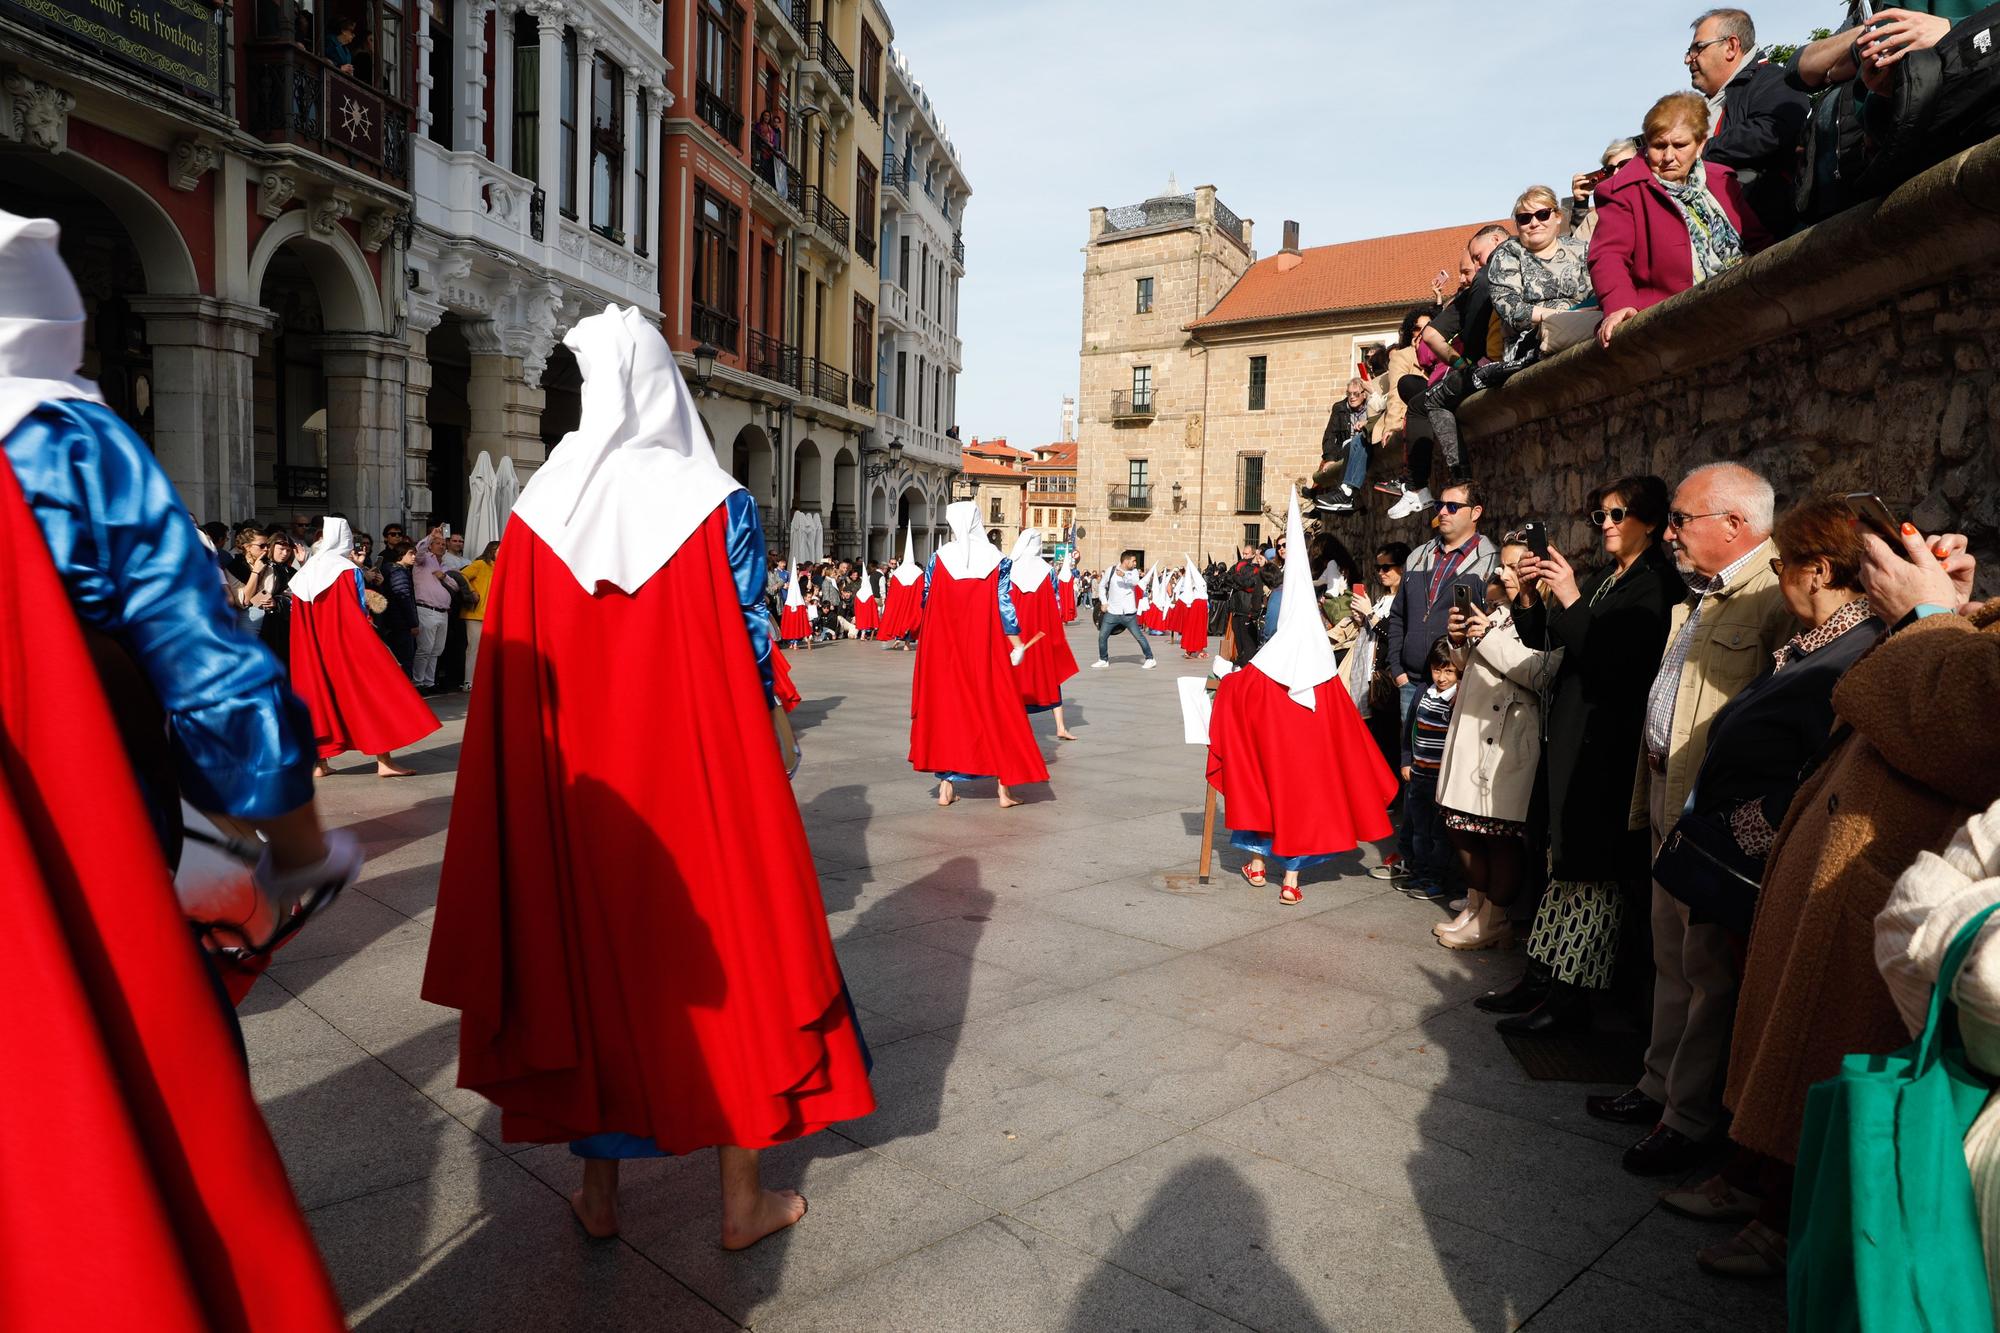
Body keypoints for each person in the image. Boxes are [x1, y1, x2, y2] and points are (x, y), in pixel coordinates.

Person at [420, 305, 875, 1249]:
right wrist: (776, 736)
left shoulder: (543, 508)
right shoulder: (718, 505)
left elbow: (511, 667)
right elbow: (752, 641)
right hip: (703, 781)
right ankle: (742, 1201)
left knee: (591, 969)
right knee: (739, 962)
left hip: (586, 796)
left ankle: (599, 1194)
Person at [0, 208, 347, 1327]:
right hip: (76, 884)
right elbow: (208, 667)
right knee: (149, 1141)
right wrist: (293, 845)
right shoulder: (69, 447)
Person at [1696, 523, 1989, 1279]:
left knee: (1833, 1073)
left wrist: (1929, 617)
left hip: (1890, 886)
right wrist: (1951, 608)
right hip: (1858, 870)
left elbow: (1969, 724)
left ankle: (1796, 1231)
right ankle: (1771, 1202)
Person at [1650, 497, 1884, 1277]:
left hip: (1776, 859)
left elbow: (1822, 758)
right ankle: (1743, 1171)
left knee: (1768, 1018)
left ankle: (1764, 1194)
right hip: (1750, 850)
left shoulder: (1859, 647)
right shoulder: (1821, 638)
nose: (1779, 576)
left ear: (1818, 569)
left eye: (1784, 564)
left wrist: (1756, 825)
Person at [1592, 462, 1795, 1176]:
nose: (1669, 531)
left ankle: (1688, 1116)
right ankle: (1657, 1086)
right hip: (1663, 798)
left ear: (1735, 526)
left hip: (1704, 817)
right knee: (1670, 958)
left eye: (1682, 519)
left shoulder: (1771, 594)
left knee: (1707, 970)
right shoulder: (1704, 593)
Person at [1485, 477, 1683, 1033]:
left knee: (1587, 872)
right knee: (1560, 860)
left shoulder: (1655, 585)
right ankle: (1542, 978)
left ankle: (1568, 1000)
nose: (1607, 526)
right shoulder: (1605, 578)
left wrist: (1570, 597)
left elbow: (1615, 664)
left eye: (1618, 515)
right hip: (1570, 737)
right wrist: (1532, 596)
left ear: (1649, 520)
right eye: (1600, 516)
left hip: (1606, 748)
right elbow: (1550, 638)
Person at [1208, 490, 1398, 905]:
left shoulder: (1261, 670)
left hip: (1268, 745)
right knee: (1300, 801)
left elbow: (1233, 690)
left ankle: (1258, 866)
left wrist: (1222, 682)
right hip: (1307, 759)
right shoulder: (1322, 671)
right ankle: (1290, 881)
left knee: (1260, 785)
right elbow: (1347, 727)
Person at [1432, 534, 1557, 950]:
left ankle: (1494, 918)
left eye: (1512, 565)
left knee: (1498, 836)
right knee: (1462, 828)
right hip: (1472, 733)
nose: (1502, 573)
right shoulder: (1499, 610)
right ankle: (1476, 905)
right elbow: (1471, 663)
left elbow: (1540, 673)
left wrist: (1485, 636)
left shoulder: (1553, 613)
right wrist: (1458, 641)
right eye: (1501, 565)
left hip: (1508, 742)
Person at [1590, 92, 1772, 348]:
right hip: (1672, 318)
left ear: (1700, 145)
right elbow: (1608, 255)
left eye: (1680, 145)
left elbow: (1757, 240)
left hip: (1744, 301)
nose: (1668, 157)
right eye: (1659, 145)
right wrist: (1619, 305)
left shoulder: (1721, 179)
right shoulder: (1621, 190)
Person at [908, 500, 1049, 807]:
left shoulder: (938, 558)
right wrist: (1015, 643)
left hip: (943, 647)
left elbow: (926, 600)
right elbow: (1004, 605)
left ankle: (946, 787)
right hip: (984, 646)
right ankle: (1004, 790)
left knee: (946, 710)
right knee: (1000, 708)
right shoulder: (997, 559)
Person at [288, 516, 439, 777]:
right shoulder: (347, 570)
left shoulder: (306, 572)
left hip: (314, 650)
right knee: (375, 693)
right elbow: (357, 611)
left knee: (321, 699)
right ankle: (384, 762)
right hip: (348, 645)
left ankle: (319, 765)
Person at [1392, 225, 1511, 515]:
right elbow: (1429, 338)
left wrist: (1466, 360)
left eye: (1475, 260)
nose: (1468, 274)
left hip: (1492, 365)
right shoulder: (1472, 290)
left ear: (1495, 242)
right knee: (1419, 392)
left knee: (1427, 402)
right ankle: (1438, 484)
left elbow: (1432, 336)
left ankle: (1454, 481)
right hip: (1483, 365)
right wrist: (1463, 362)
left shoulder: (1486, 277)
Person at [1686, 7, 1812, 237]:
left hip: (1764, 229)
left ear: (1731, 46)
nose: (1688, 59)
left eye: (1698, 48)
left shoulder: (1773, 80)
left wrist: (1705, 149)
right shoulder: (1702, 106)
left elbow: (1773, 129)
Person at [1485, 185, 1596, 356]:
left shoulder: (1580, 249)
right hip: (1530, 341)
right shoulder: (1508, 253)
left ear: (1558, 217)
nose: (1534, 223)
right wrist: (1563, 316)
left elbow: (1596, 292)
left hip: (1584, 328)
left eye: (1542, 215)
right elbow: (1510, 307)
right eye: (1525, 218)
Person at [1005, 529, 1079, 742]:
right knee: (1050, 676)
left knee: (1013, 678)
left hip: (1015, 632)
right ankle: (1060, 727)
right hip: (1040, 630)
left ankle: (1016, 725)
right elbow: (1055, 599)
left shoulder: (1010, 568)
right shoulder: (1047, 571)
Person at [1093, 551, 1157, 668]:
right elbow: (1102, 586)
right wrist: (1104, 602)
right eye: (1133, 561)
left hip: (1129, 614)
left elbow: (1135, 582)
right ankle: (1103, 659)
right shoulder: (1111, 570)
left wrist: (1124, 575)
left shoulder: (1133, 573)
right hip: (1112, 611)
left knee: (1139, 637)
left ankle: (1150, 658)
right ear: (1126, 561)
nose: (1135, 563)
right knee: (1102, 635)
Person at [1570, 137, 1641, 243]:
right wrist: (1580, 205)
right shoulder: (1595, 217)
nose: (1615, 173)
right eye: (1610, 169)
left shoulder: (1660, 201)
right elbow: (1576, 251)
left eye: (1624, 165)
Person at [409, 527, 453, 692]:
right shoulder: (424, 559)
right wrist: (430, 536)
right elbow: (418, 551)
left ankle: (429, 682)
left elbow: (454, 585)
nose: (441, 546)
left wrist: (445, 577)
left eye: (443, 544)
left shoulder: (445, 565)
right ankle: (418, 682)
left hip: (443, 612)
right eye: (437, 543)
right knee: (425, 649)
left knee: (436, 650)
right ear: (430, 545)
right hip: (426, 609)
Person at [459, 539, 499, 690]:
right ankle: (469, 681)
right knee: (473, 648)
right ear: (492, 550)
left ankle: (484, 680)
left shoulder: (500, 567)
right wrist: (471, 591)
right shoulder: (480, 564)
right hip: (475, 613)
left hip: (493, 614)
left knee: (489, 649)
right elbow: (461, 575)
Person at [878, 525, 923, 648]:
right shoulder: (918, 572)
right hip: (912, 605)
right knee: (910, 621)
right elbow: (921, 591)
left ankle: (900, 639)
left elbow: (893, 592)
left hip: (900, 604)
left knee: (900, 619)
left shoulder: (898, 572)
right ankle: (907, 644)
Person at [1178, 557, 1210, 658]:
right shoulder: (1199, 582)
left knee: (1194, 627)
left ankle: (1190, 650)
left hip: (1199, 605)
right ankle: (1196, 650)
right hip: (1200, 605)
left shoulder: (1198, 581)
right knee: (1198, 627)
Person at [778, 561, 811, 646]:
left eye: (798, 569)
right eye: (796, 569)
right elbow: (791, 586)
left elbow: (809, 587)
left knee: (801, 620)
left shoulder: (804, 578)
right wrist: (798, 577)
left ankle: (799, 638)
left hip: (801, 600)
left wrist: (809, 578)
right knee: (791, 622)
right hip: (791, 601)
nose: (797, 570)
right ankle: (791, 640)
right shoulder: (790, 576)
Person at [852, 558, 880, 638]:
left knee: (861, 623)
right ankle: (862, 635)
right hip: (867, 613)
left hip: (860, 613)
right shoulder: (869, 593)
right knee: (866, 622)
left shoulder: (858, 593)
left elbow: (856, 604)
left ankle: (859, 634)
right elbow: (873, 605)